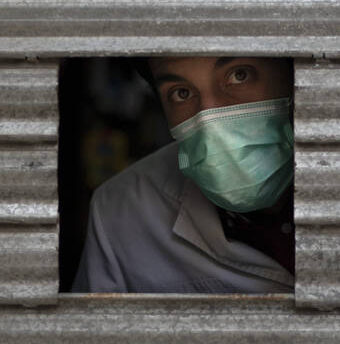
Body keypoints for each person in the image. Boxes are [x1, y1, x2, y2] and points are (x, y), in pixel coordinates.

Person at [72, 56, 294, 293]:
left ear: (292, 75)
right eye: (181, 93)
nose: (210, 121)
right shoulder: (119, 210)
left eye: (239, 75)